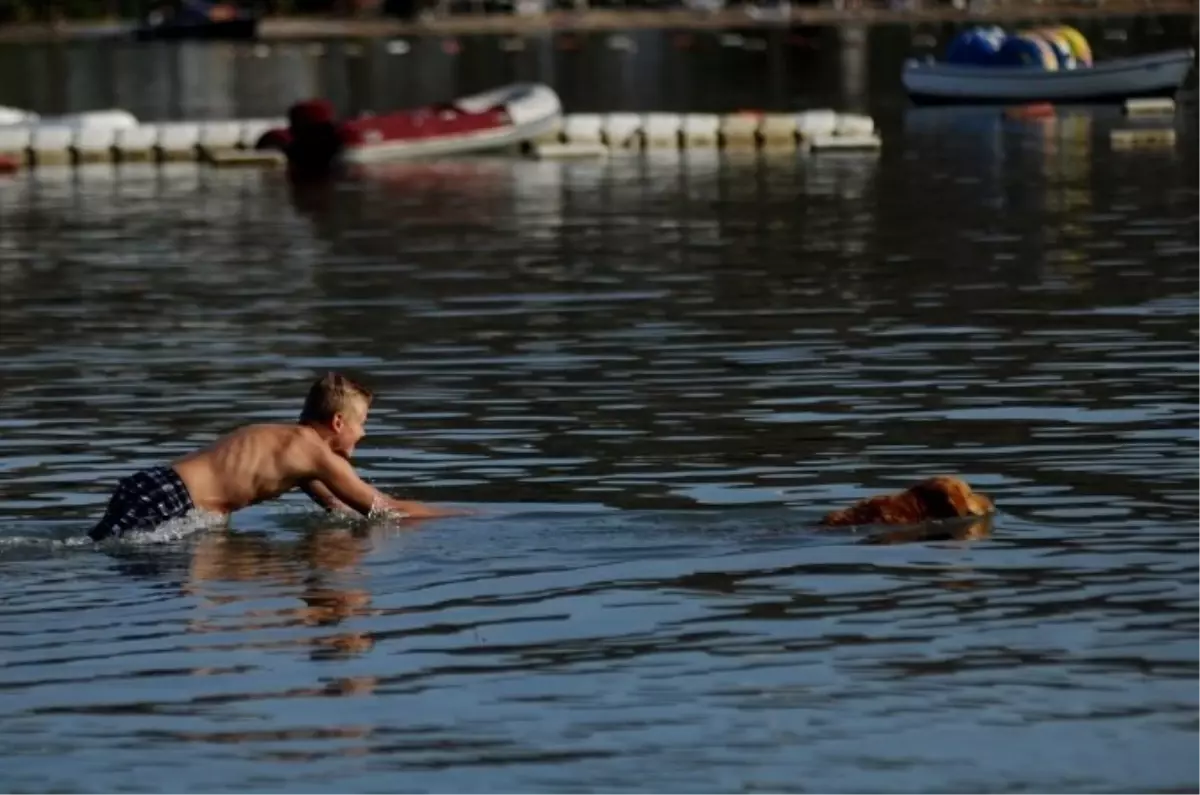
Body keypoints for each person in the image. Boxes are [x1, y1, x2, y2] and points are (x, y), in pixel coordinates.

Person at [89, 372, 461, 541]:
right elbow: (382, 507)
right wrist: (464, 516)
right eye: (362, 422)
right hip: (170, 499)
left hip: (152, 485)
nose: (364, 432)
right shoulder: (315, 453)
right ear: (337, 421)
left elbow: (341, 509)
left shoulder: (292, 446)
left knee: (98, 548)